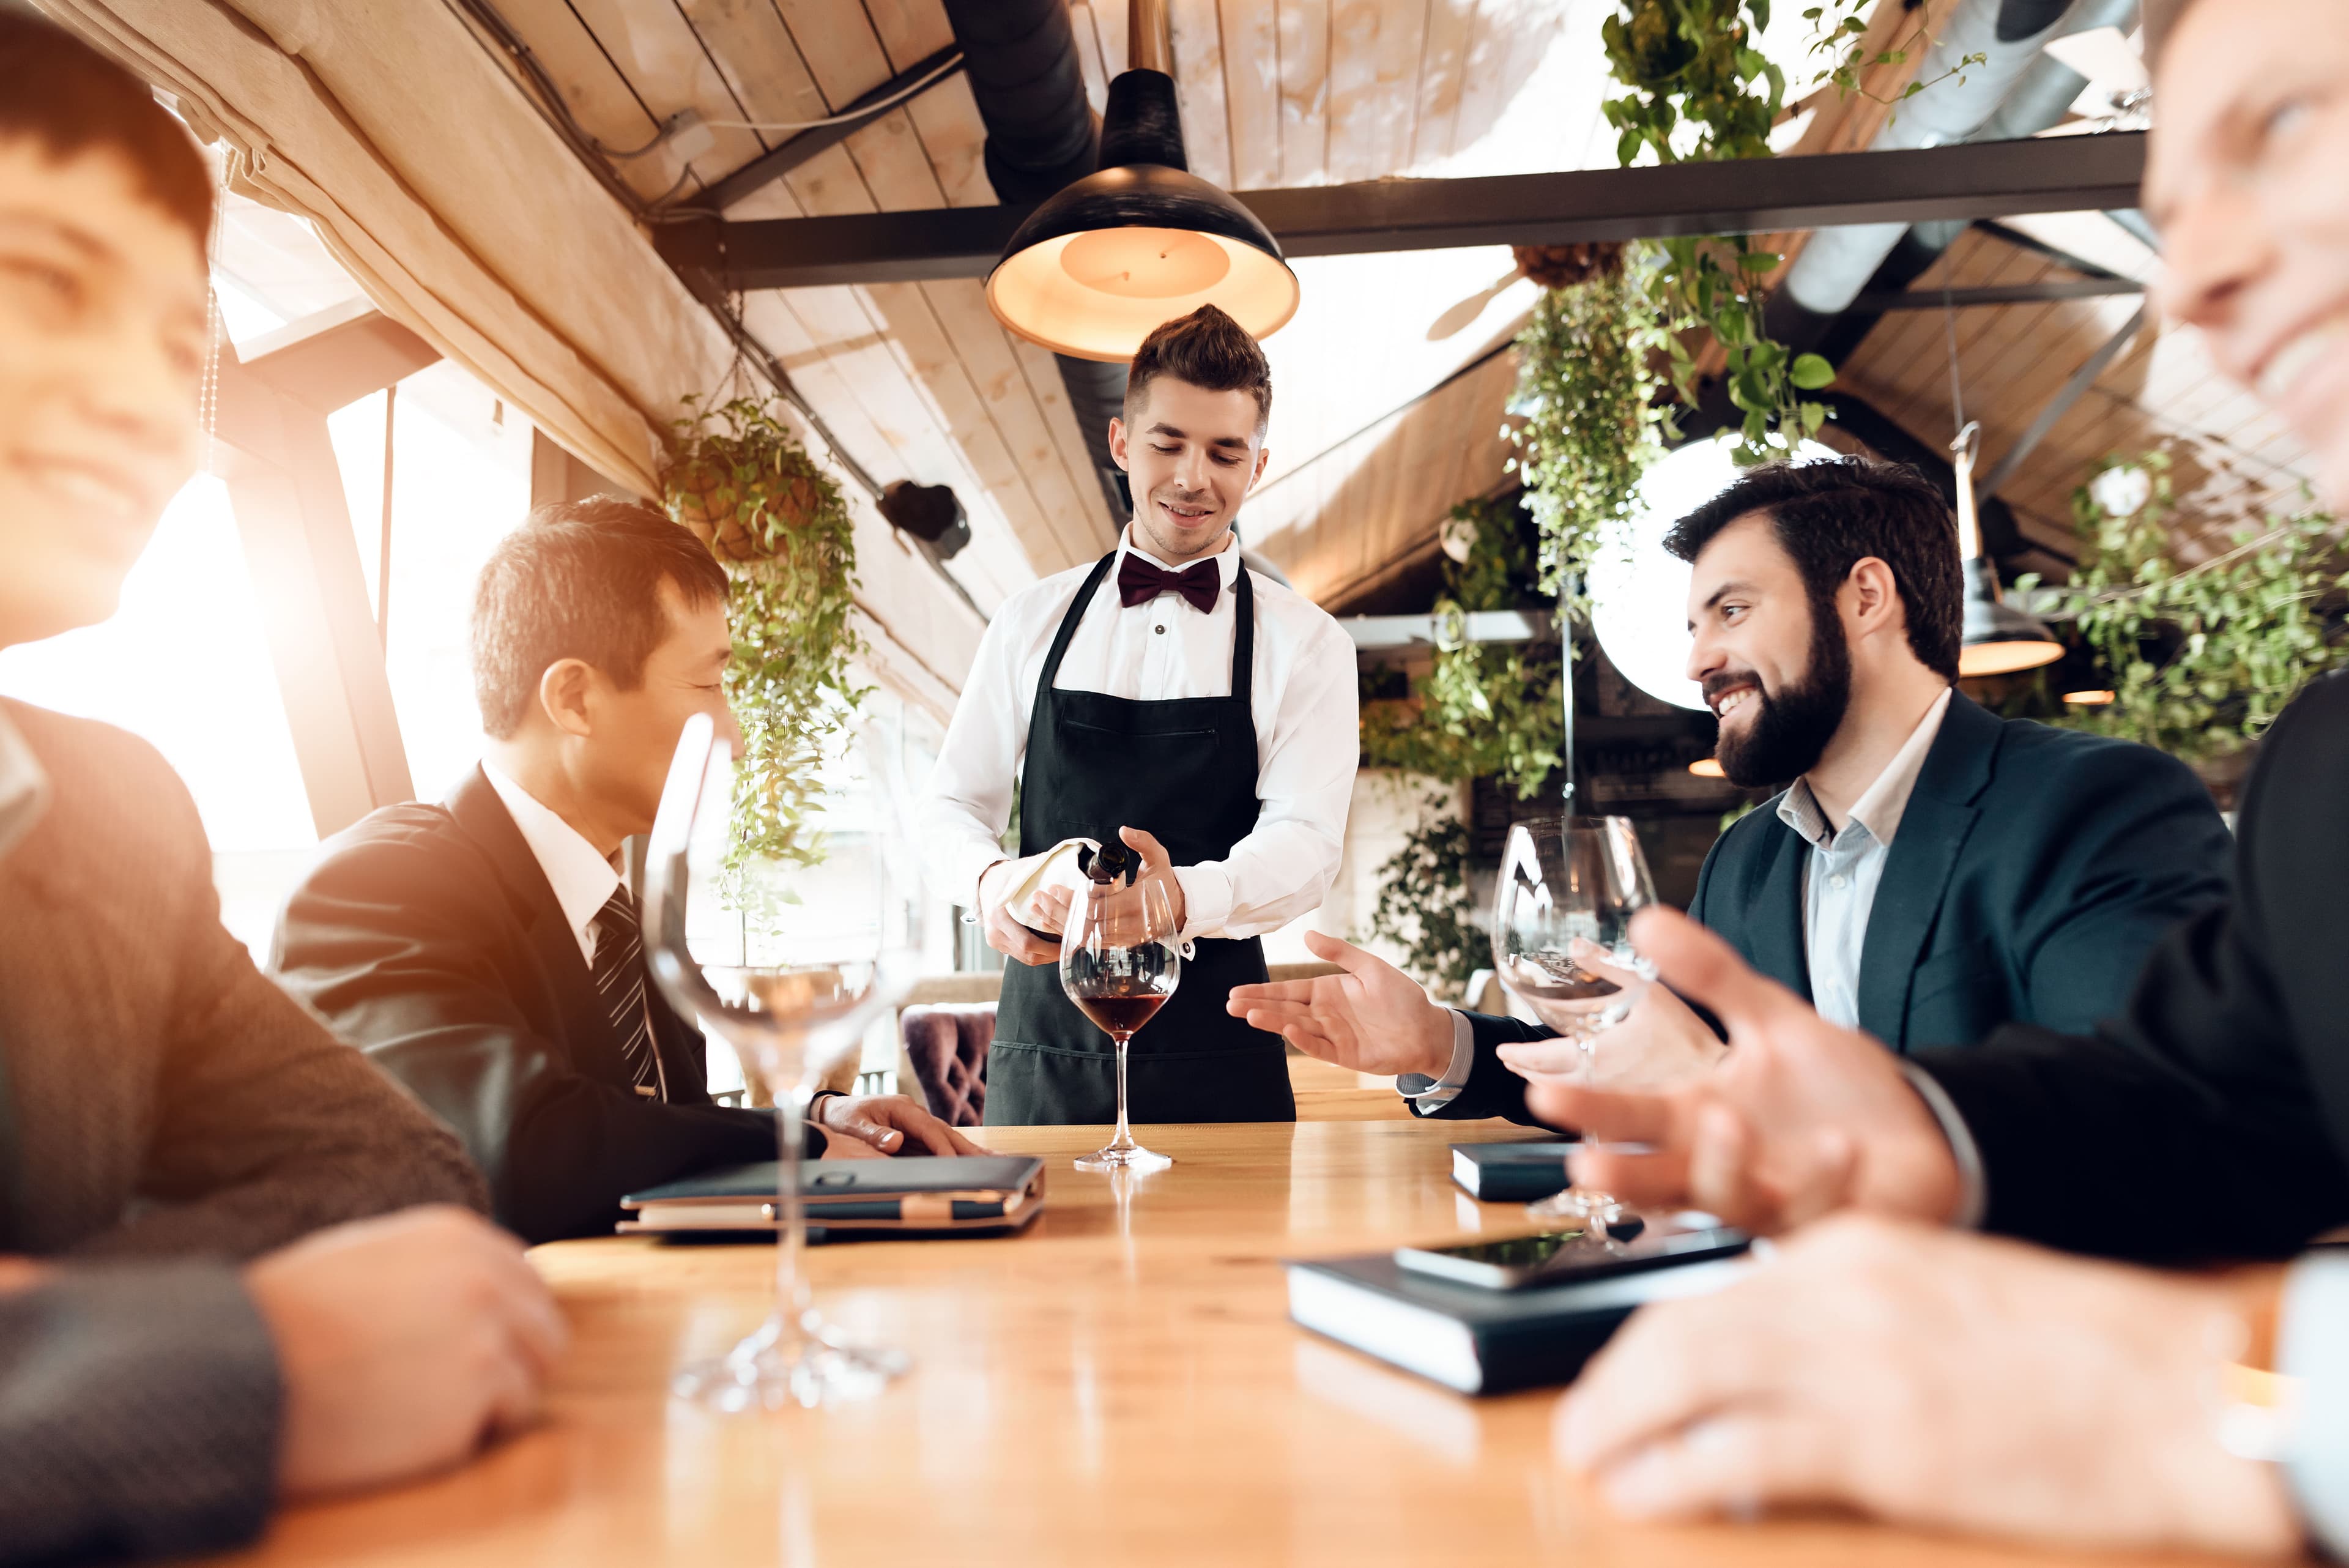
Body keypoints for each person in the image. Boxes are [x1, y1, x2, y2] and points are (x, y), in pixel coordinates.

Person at [1527, 0, 2349, 1551]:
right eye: (2170, 215)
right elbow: (2204, 1104)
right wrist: (1917, 1129)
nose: (2193, 285)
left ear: (1865, 603)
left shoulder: (2092, 800)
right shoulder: (2329, 767)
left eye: (2285, 128)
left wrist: (2227, 1407)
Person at [0, 15, 562, 1562]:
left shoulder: (113, 811)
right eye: (47, 285)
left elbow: (393, 1176)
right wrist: (230, 1354)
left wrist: (65, 1307)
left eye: (180, 352)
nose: (141, 402)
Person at [1233, 458, 2231, 1130]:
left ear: (1867, 598)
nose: (1700, 658)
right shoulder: (1750, 863)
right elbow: (1637, 1055)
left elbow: (2145, 1121)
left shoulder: (2096, 807)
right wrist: (1438, 1041)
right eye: (1695, 625)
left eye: (1734, 610)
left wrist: (1728, 1093)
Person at [272, 499, 982, 1245]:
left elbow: (644, 1131)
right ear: (575, 698)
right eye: (708, 686)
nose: (734, 736)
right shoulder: (380, 887)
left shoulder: (625, 921)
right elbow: (517, 1154)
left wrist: (814, 1116)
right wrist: (796, 1151)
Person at [918, 304, 1359, 1124]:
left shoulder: (1310, 644)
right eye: (1168, 444)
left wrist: (1178, 900)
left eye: (1226, 452)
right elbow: (949, 808)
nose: (1194, 477)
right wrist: (998, 883)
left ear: (1259, 465)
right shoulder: (1029, 620)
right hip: (1045, 1061)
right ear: (1121, 443)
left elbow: (1307, 845)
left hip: (1222, 1055)